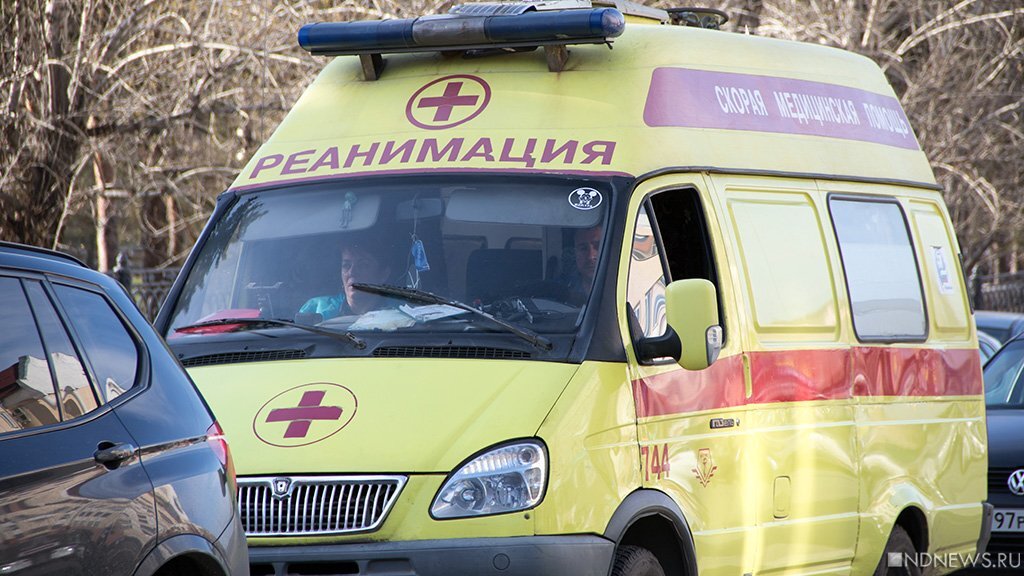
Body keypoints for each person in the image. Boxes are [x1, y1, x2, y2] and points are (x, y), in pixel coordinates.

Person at [299, 240, 394, 321]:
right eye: (346, 265)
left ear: (383, 274)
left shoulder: (400, 313)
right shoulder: (315, 309)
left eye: (363, 265)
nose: (352, 272)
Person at [565, 225, 603, 304]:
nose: (590, 256)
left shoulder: (625, 288)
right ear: (575, 253)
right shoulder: (561, 291)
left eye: (598, 247)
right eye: (583, 248)